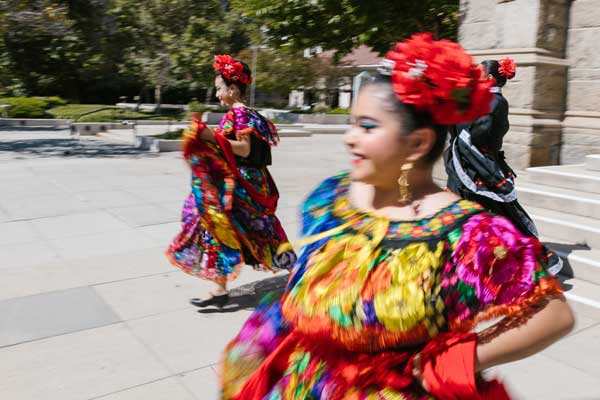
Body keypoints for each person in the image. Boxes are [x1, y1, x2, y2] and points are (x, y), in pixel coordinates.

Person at [219, 34, 574, 399]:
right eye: (353, 123)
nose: (350, 138)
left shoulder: (469, 233)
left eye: (368, 126)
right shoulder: (330, 197)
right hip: (305, 382)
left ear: (417, 143)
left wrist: (458, 361)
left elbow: (553, 313)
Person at [167, 54, 296, 308]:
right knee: (221, 228)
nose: (217, 95)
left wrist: (211, 137)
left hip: (242, 183)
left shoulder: (241, 114)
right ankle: (220, 289)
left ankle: (296, 272)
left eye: (219, 89)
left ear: (233, 89)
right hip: (235, 181)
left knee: (256, 229)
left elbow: (245, 150)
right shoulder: (242, 114)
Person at [445, 58, 563, 275]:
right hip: (467, 165)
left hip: (480, 167)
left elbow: (479, 135)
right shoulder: (482, 99)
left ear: (489, 79)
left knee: (497, 218)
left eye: (477, 74)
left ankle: (524, 263)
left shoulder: (495, 102)